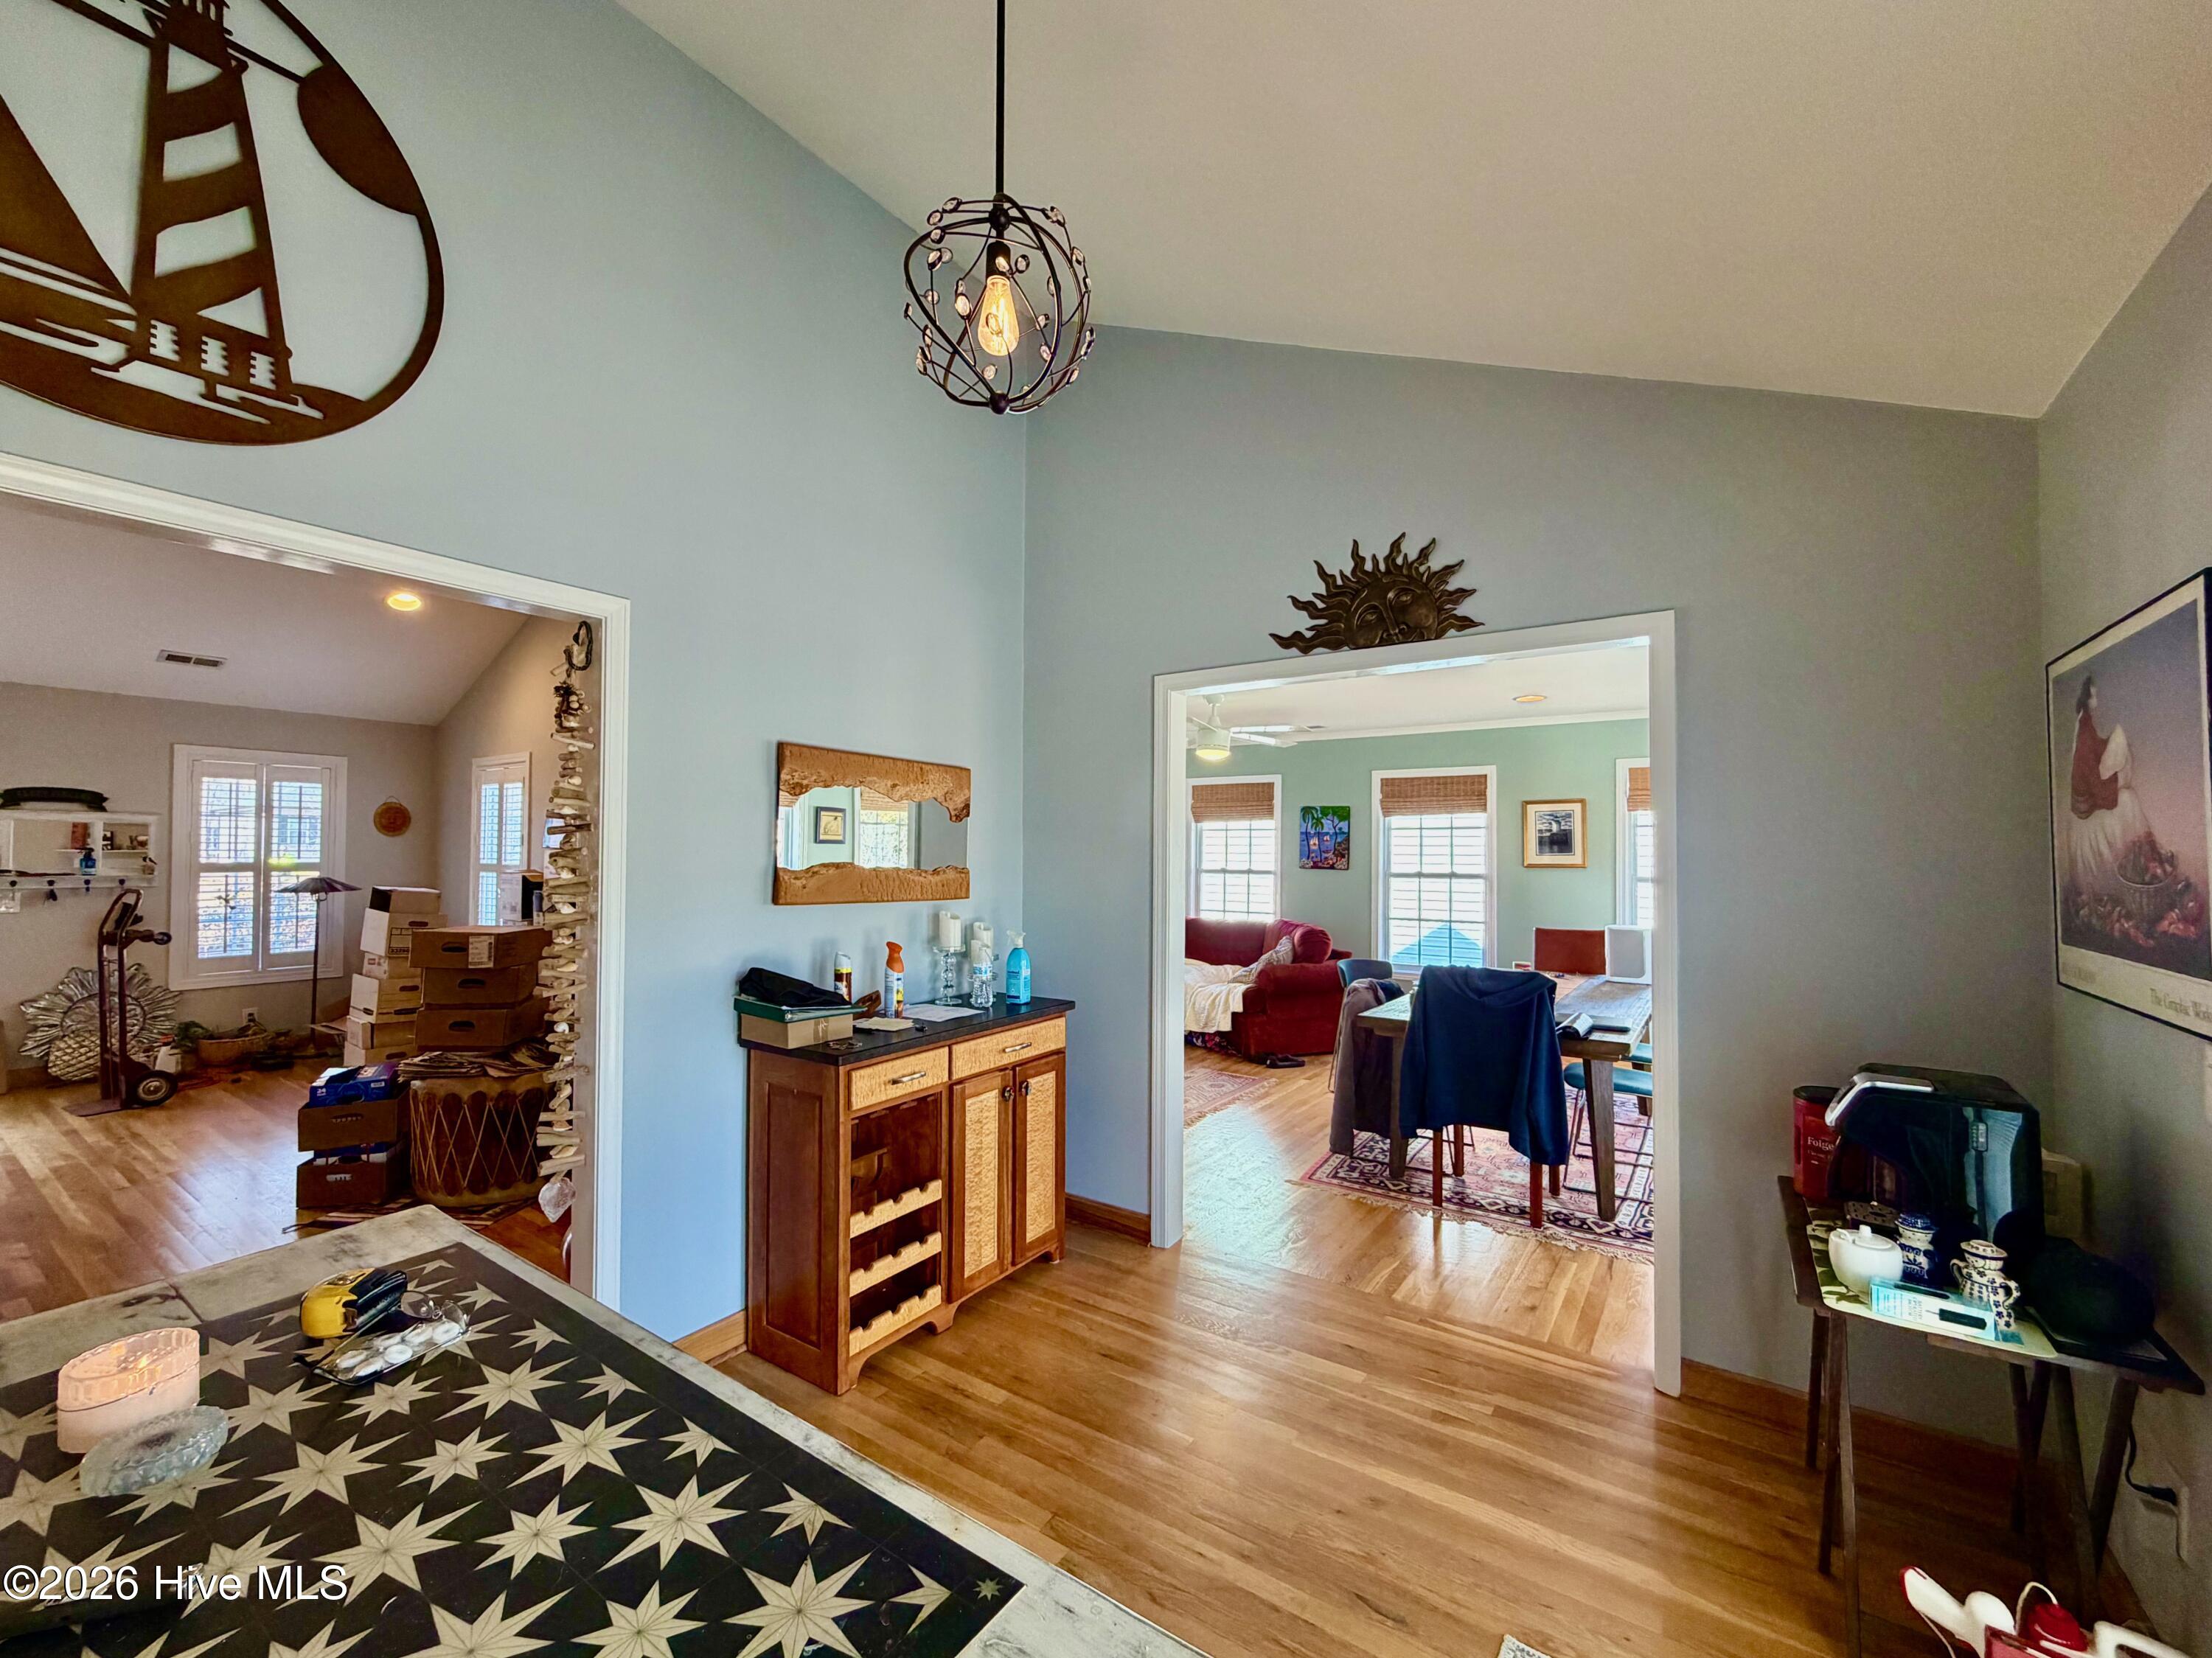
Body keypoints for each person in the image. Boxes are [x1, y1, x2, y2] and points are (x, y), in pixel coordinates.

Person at [2066, 675, 2155, 898]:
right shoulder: (2084, 729)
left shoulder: (2086, 724)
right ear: (2087, 699)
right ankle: (2136, 871)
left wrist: (2111, 744)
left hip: (2093, 788)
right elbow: (2088, 772)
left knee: (2127, 792)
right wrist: (2112, 785)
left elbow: (2095, 750)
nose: (2096, 701)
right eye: (2094, 697)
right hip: (2088, 800)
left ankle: (2145, 866)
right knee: (2128, 801)